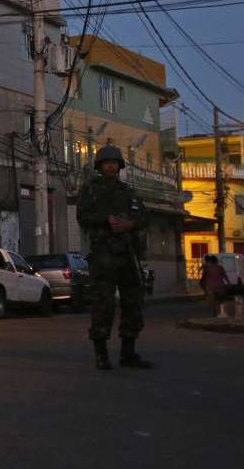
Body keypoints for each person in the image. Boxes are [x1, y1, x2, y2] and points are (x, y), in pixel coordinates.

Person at [76, 145, 153, 370]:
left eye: (114, 162)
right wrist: (107, 220)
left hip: (128, 253)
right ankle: (101, 354)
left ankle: (128, 353)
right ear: (99, 166)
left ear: (120, 166)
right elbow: (83, 215)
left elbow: (143, 216)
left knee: (133, 302)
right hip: (103, 254)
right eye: (106, 162)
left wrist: (130, 224)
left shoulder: (128, 191)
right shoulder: (90, 190)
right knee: (103, 304)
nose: (111, 165)